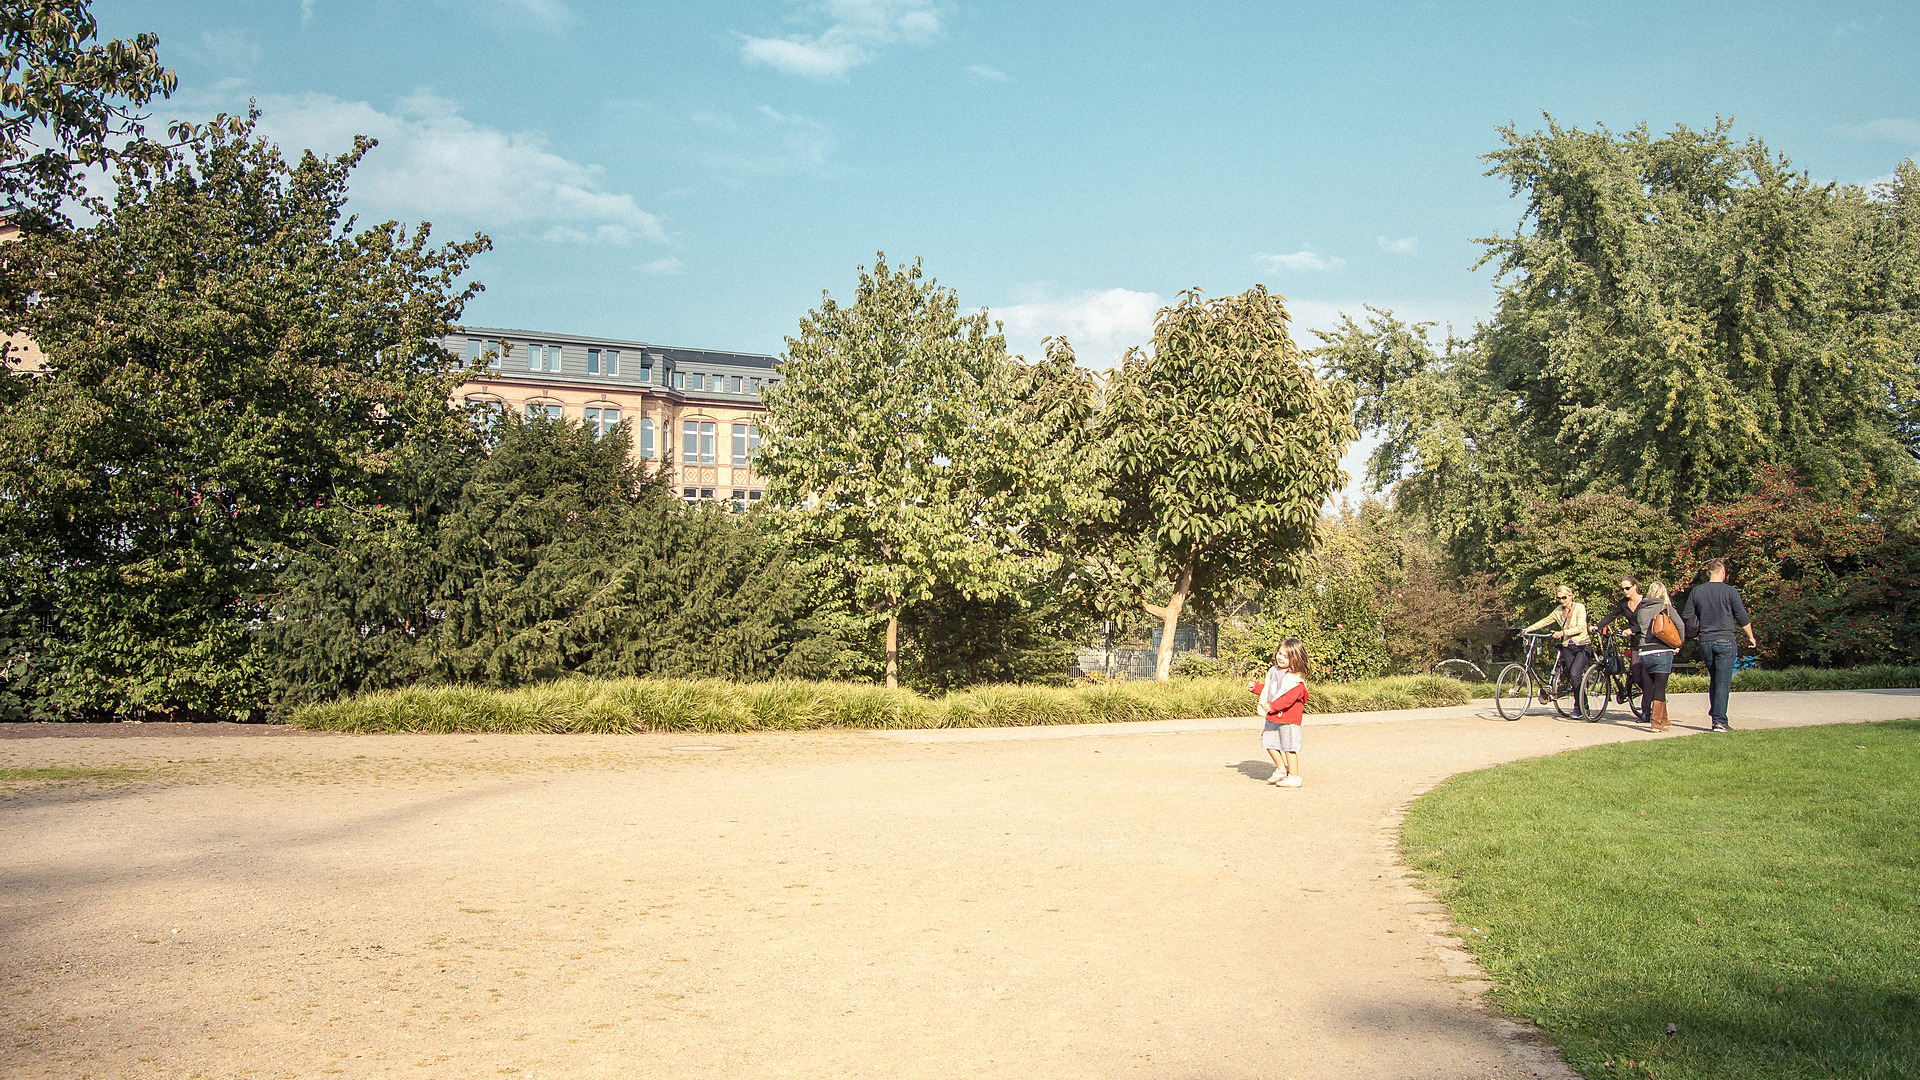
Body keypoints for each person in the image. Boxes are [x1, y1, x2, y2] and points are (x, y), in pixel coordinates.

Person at [1593, 575, 1679, 731]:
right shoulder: (1624, 603)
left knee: (1648, 679)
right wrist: (1597, 626)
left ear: (1635, 587)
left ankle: (1647, 712)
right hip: (1636, 644)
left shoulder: (1646, 602)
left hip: (1647, 640)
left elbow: (1648, 622)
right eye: (1622, 589)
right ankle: (1658, 709)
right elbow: (1612, 616)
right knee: (1638, 676)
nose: (1625, 591)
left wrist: (1632, 629)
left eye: (1627, 588)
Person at [1682, 558, 1758, 732]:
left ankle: (1716, 713)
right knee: (1723, 682)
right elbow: (1741, 616)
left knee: (1715, 679)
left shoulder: (1697, 592)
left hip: (1706, 641)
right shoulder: (1730, 591)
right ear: (1723, 572)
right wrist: (1751, 637)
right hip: (1726, 640)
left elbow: (1687, 616)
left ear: (1708, 573)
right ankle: (1720, 721)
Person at [1524, 585, 1592, 719]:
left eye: (1564, 597)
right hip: (1567, 646)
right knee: (1571, 676)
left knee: (1575, 674)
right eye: (1559, 598)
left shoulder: (1579, 607)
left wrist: (1562, 633)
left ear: (1571, 596)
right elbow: (1546, 620)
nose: (1562, 601)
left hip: (1582, 645)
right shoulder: (1559, 610)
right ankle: (1578, 703)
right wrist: (1529, 629)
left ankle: (1581, 707)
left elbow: (1580, 627)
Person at [1253, 639, 1309, 786]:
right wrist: (1256, 688)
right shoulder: (1274, 671)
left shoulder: (1295, 679)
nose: (1281, 657)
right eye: (1279, 653)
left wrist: (1273, 706)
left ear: (1295, 658)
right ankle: (1281, 769)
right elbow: (1271, 690)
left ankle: (1294, 776)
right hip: (1273, 716)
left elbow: (1288, 699)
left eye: (1286, 656)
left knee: (1289, 748)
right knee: (1268, 742)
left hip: (1289, 718)